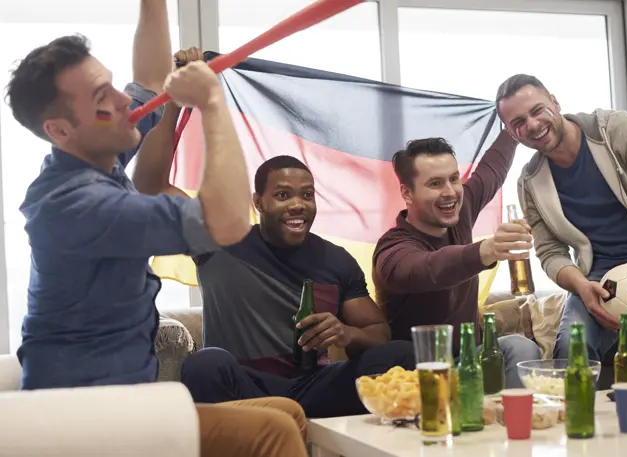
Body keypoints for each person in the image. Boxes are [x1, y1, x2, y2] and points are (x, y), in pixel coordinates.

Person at [5, 1, 306, 455]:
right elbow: (225, 222)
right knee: (273, 433)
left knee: (288, 412)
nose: (124, 102)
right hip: (81, 417)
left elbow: (147, 82)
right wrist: (211, 102)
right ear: (60, 130)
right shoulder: (80, 205)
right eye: (102, 98)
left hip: (122, 400)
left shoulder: (96, 156)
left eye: (111, 85)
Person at [134, 146, 415, 417]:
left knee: (403, 354)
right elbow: (150, 185)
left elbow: (378, 331)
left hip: (311, 388)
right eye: (283, 195)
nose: (298, 205)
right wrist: (169, 105)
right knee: (205, 364)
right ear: (259, 202)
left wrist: (346, 333)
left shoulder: (336, 260)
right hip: (243, 387)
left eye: (307, 195)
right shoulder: (220, 239)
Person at [495, 73, 627, 360]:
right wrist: (581, 286)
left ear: (554, 103)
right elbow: (549, 252)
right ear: (510, 133)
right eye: (518, 123)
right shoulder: (530, 182)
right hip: (598, 278)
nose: (532, 125)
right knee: (572, 345)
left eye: (537, 110)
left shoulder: (615, 129)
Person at [372, 133, 542, 388]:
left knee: (519, 348)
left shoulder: (459, 213)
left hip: (466, 361)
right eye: (435, 183)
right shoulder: (393, 248)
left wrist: (512, 129)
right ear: (407, 193)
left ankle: (513, 424)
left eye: (454, 179)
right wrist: (486, 250)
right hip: (418, 375)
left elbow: (491, 171)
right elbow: (425, 269)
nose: (450, 192)